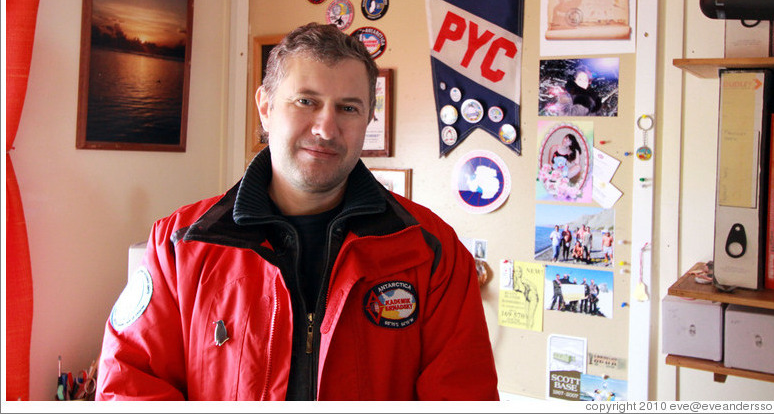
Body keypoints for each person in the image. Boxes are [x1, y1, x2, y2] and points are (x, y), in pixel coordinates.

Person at [95, 23, 499, 401]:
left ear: (367, 120)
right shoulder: (179, 247)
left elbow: (464, 394)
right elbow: (130, 388)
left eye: (349, 108)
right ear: (266, 108)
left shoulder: (431, 252)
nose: (326, 127)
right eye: (306, 101)